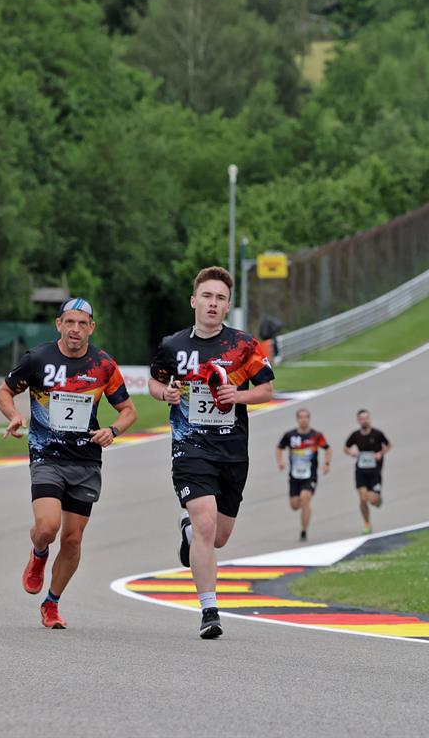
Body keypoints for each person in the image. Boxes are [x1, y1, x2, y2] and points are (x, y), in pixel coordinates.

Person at [149, 266, 275, 639]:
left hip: (232, 450)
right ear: (194, 300)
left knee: (217, 536)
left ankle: (188, 532)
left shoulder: (243, 346)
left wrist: (239, 395)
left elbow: (267, 390)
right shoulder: (173, 346)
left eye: (220, 298)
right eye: (207, 296)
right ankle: (209, 611)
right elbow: (156, 382)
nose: (212, 304)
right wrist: (165, 394)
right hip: (190, 447)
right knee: (206, 523)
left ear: (227, 305)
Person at [0, 298, 137, 629]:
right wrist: (15, 414)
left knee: (73, 540)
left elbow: (128, 410)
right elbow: (3, 392)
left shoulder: (103, 365)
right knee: (48, 527)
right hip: (47, 455)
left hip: (86, 461)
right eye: (69, 322)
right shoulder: (39, 359)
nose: (76, 329)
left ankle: (52, 603)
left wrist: (112, 430)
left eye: (82, 323)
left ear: (92, 327)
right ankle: (39, 553)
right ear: (59, 324)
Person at [276, 408, 331, 542]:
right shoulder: (290, 435)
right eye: (301, 417)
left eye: (306, 417)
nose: (304, 419)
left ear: (309, 419)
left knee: (305, 498)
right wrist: (280, 461)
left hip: (310, 475)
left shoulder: (316, 435)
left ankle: (303, 531)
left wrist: (326, 463)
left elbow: (327, 449)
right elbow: (279, 448)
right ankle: (302, 505)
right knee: (295, 506)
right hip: (294, 476)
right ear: (297, 419)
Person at [344, 409, 391, 534]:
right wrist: (351, 452)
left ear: (370, 419)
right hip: (361, 471)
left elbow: (388, 445)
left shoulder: (377, 434)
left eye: (366, 418)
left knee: (373, 500)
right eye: (362, 418)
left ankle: (378, 500)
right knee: (363, 498)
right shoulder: (355, 435)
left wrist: (381, 453)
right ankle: (367, 523)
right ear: (358, 420)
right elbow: (345, 447)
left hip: (375, 471)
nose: (365, 420)